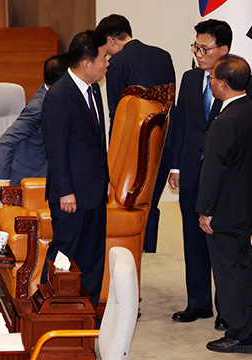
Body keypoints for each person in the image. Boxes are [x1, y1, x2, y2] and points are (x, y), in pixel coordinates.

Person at [169, 19, 252, 329]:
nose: (199, 54)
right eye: (196, 47)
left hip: (225, 183)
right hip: (193, 174)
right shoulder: (191, 79)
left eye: (204, 48)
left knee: (221, 248)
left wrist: (243, 156)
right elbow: (180, 124)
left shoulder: (244, 83)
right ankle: (199, 303)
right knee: (193, 241)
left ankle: (226, 311)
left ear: (224, 49)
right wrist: (176, 165)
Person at [197, 55, 252, 354]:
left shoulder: (224, 122)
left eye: (213, 78)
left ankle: (241, 335)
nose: (210, 82)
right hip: (248, 206)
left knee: (228, 274)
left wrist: (205, 211)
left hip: (224, 212)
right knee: (243, 268)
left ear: (223, 85)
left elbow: (213, 172)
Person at [40, 30, 110, 307]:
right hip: (71, 196)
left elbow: (96, 142)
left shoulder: (94, 89)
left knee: (93, 255)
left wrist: (104, 179)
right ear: (86, 62)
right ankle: (51, 309)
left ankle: (87, 310)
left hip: (94, 191)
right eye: (103, 57)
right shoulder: (59, 95)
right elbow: (56, 150)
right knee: (64, 255)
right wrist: (65, 192)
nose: (107, 63)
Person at [96, 14, 176, 253]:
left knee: (129, 205)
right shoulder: (163, 55)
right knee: (150, 203)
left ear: (111, 40)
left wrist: (111, 158)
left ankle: (130, 253)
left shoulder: (117, 63)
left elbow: (116, 116)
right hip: (162, 142)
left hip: (133, 149)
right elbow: (170, 105)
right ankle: (149, 254)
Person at [0, 53, 68, 187]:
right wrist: (4, 180)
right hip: (30, 179)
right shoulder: (38, 108)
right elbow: (6, 140)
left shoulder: (54, 95)